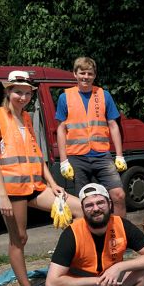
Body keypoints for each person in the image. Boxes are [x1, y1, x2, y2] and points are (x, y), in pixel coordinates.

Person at [0, 71, 82, 286]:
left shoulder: (27, 117)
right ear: (8, 91)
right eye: (18, 92)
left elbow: (37, 156)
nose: (23, 97)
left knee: (79, 209)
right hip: (12, 189)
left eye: (27, 93)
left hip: (35, 184)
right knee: (19, 238)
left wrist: (53, 182)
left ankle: (74, 267)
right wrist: (3, 197)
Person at [56, 56, 128, 217]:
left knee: (118, 195)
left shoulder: (104, 95)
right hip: (77, 156)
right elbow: (61, 129)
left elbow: (113, 125)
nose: (86, 77)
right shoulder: (64, 97)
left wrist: (120, 155)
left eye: (89, 73)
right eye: (82, 73)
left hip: (102, 155)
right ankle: (90, 238)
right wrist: (63, 161)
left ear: (94, 75)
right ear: (75, 74)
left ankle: (122, 234)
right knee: (85, 201)